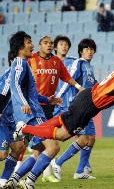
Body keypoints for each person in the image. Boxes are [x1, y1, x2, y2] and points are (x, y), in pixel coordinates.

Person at [13, 55, 114, 143]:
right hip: (89, 105)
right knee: (63, 135)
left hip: (88, 96)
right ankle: (25, 129)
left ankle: (27, 130)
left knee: (62, 119)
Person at [3, 31, 61, 189]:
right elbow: (14, 84)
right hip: (32, 115)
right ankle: (29, 182)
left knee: (39, 149)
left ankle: (13, 180)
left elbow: (31, 93)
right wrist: (23, 103)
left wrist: (46, 100)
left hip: (30, 113)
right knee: (53, 146)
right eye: (29, 42)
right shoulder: (21, 62)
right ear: (21, 47)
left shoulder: (23, 63)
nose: (32, 45)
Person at [27, 35, 84, 183]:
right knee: (44, 144)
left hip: (49, 106)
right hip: (33, 106)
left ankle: (40, 174)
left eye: (51, 43)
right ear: (40, 45)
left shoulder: (56, 61)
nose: (49, 45)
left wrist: (79, 87)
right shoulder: (31, 60)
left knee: (40, 146)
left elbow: (66, 77)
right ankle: (19, 177)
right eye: (45, 43)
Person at [51, 37, 97, 180]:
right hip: (78, 106)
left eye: (91, 49)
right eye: (86, 49)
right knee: (83, 139)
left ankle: (80, 171)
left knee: (91, 138)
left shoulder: (90, 67)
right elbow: (68, 80)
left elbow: (94, 85)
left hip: (88, 106)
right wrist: (57, 96)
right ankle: (57, 162)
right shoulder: (79, 63)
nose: (89, 52)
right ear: (80, 52)